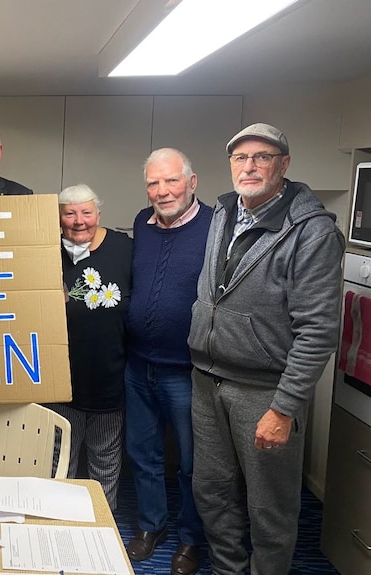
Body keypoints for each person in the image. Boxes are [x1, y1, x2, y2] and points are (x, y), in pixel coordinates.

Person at [187, 123, 344, 575]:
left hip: (263, 391)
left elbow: (317, 331)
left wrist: (285, 408)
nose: (249, 166)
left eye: (262, 157)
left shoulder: (311, 233)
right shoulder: (224, 211)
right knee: (212, 491)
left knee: (269, 507)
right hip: (207, 380)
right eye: (240, 158)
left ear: (284, 164)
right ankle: (228, 569)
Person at [124, 149, 210, 575]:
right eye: (154, 183)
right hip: (138, 365)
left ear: (192, 183)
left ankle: (191, 541)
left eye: (172, 181)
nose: (163, 191)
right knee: (144, 454)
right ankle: (151, 526)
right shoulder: (142, 222)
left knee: (193, 464)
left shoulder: (216, 226)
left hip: (188, 371)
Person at [43, 184, 132, 510]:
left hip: (110, 378)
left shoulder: (125, 248)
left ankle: (101, 527)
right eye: (70, 213)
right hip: (59, 382)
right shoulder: (44, 250)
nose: (79, 221)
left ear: (99, 214)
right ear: (58, 218)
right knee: (57, 460)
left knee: (105, 462)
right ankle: (53, 525)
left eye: (87, 212)